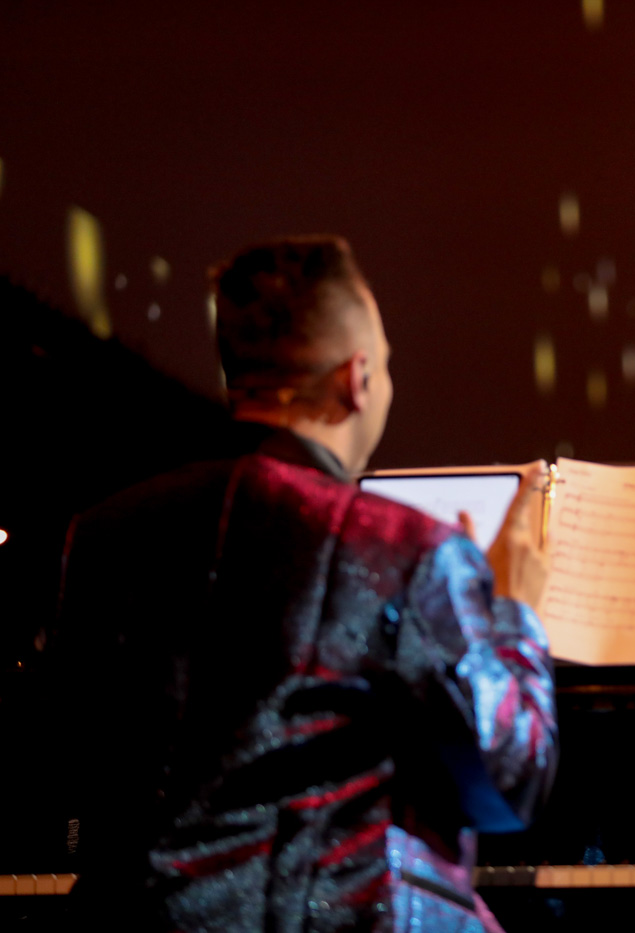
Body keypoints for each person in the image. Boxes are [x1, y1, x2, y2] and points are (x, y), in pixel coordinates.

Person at [52, 236, 556, 931]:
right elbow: (507, 779)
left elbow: (74, 753)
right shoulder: (406, 547)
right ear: (358, 378)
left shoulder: (103, 532)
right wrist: (512, 608)